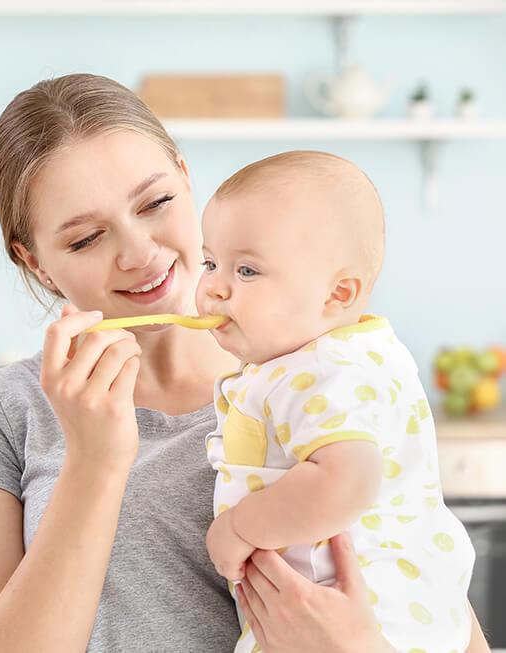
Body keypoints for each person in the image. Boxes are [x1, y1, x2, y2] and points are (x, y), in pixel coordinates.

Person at [0, 73, 490, 652]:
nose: (139, 253)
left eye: (155, 203)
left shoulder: (315, 374)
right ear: (35, 263)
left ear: (186, 179)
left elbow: (429, 591)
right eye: (85, 239)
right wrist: (95, 462)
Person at [196, 151, 477, 652]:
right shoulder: (352, 354)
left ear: (337, 294)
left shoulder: (323, 371)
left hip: (355, 613)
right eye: (211, 262)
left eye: (247, 271)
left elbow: (346, 479)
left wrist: (239, 526)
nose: (214, 287)